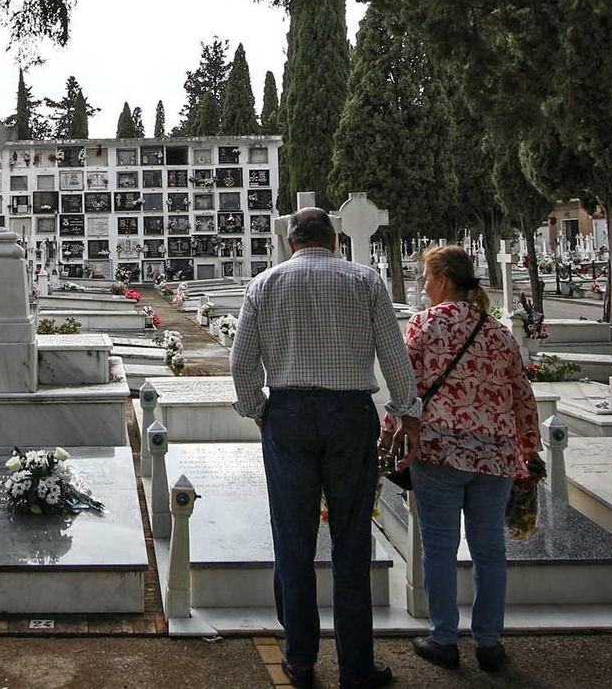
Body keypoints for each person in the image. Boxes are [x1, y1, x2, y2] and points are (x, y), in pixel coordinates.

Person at [231, 208, 421, 689]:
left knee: (292, 540)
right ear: (335, 240)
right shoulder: (365, 281)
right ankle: (355, 666)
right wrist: (406, 411)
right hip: (350, 415)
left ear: (291, 241)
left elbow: (242, 361)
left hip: (289, 415)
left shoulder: (264, 285)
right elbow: (393, 355)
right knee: (351, 540)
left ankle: (299, 658)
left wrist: (257, 408)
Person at [390, 245, 539, 673]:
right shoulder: (497, 332)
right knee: (489, 547)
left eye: (425, 276)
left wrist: (388, 438)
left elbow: (407, 388)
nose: (422, 284)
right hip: (495, 452)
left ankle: (443, 638)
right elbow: (520, 392)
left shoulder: (424, 324)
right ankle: (489, 643)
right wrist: (527, 447)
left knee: (439, 547)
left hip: (440, 449)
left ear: (442, 279)